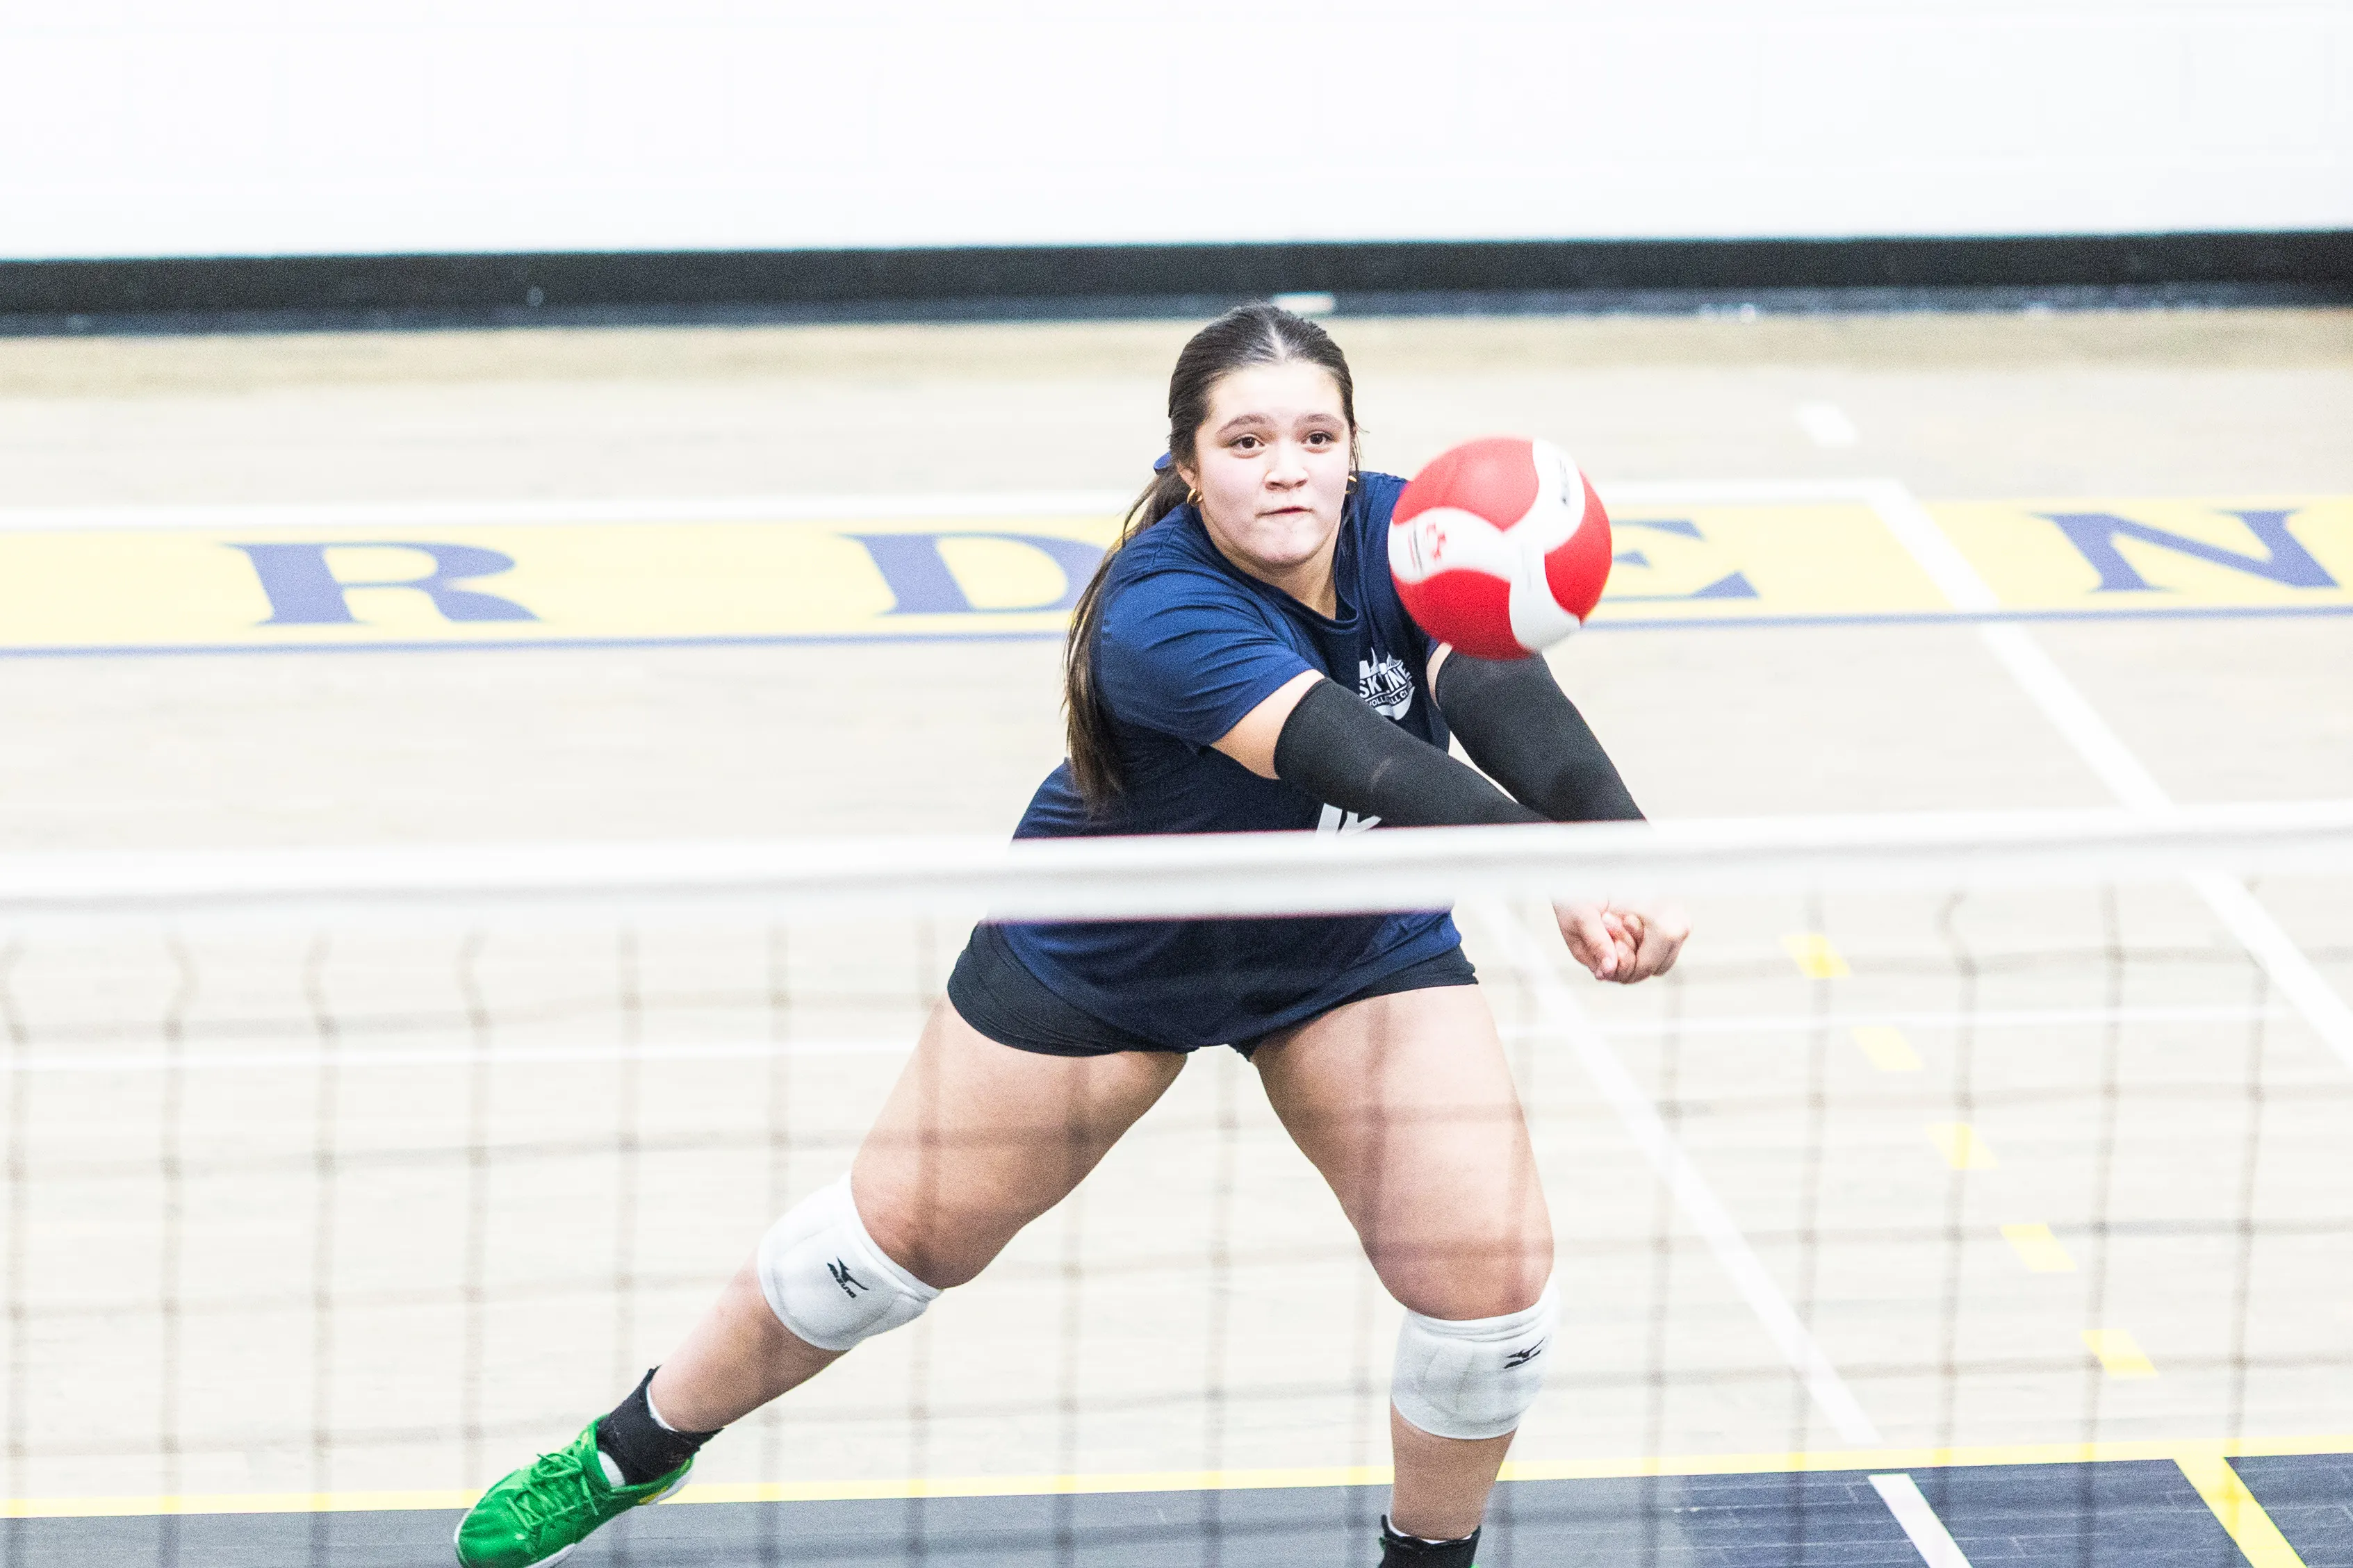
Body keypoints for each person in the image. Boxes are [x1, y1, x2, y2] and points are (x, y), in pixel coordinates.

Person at [453, 303, 1689, 1568]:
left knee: (1490, 1306)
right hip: (1115, 955)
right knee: (877, 1257)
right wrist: (1553, 862)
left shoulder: (1407, 530)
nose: (1287, 469)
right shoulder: (1157, 611)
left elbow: (1491, 681)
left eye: (1316, 438)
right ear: (1186, 464)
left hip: (1348, 945)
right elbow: (1355, 756)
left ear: (1351, 447)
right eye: (1247, 441)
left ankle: (1426, 1562)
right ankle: (629, 1450)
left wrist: (1620, 847)